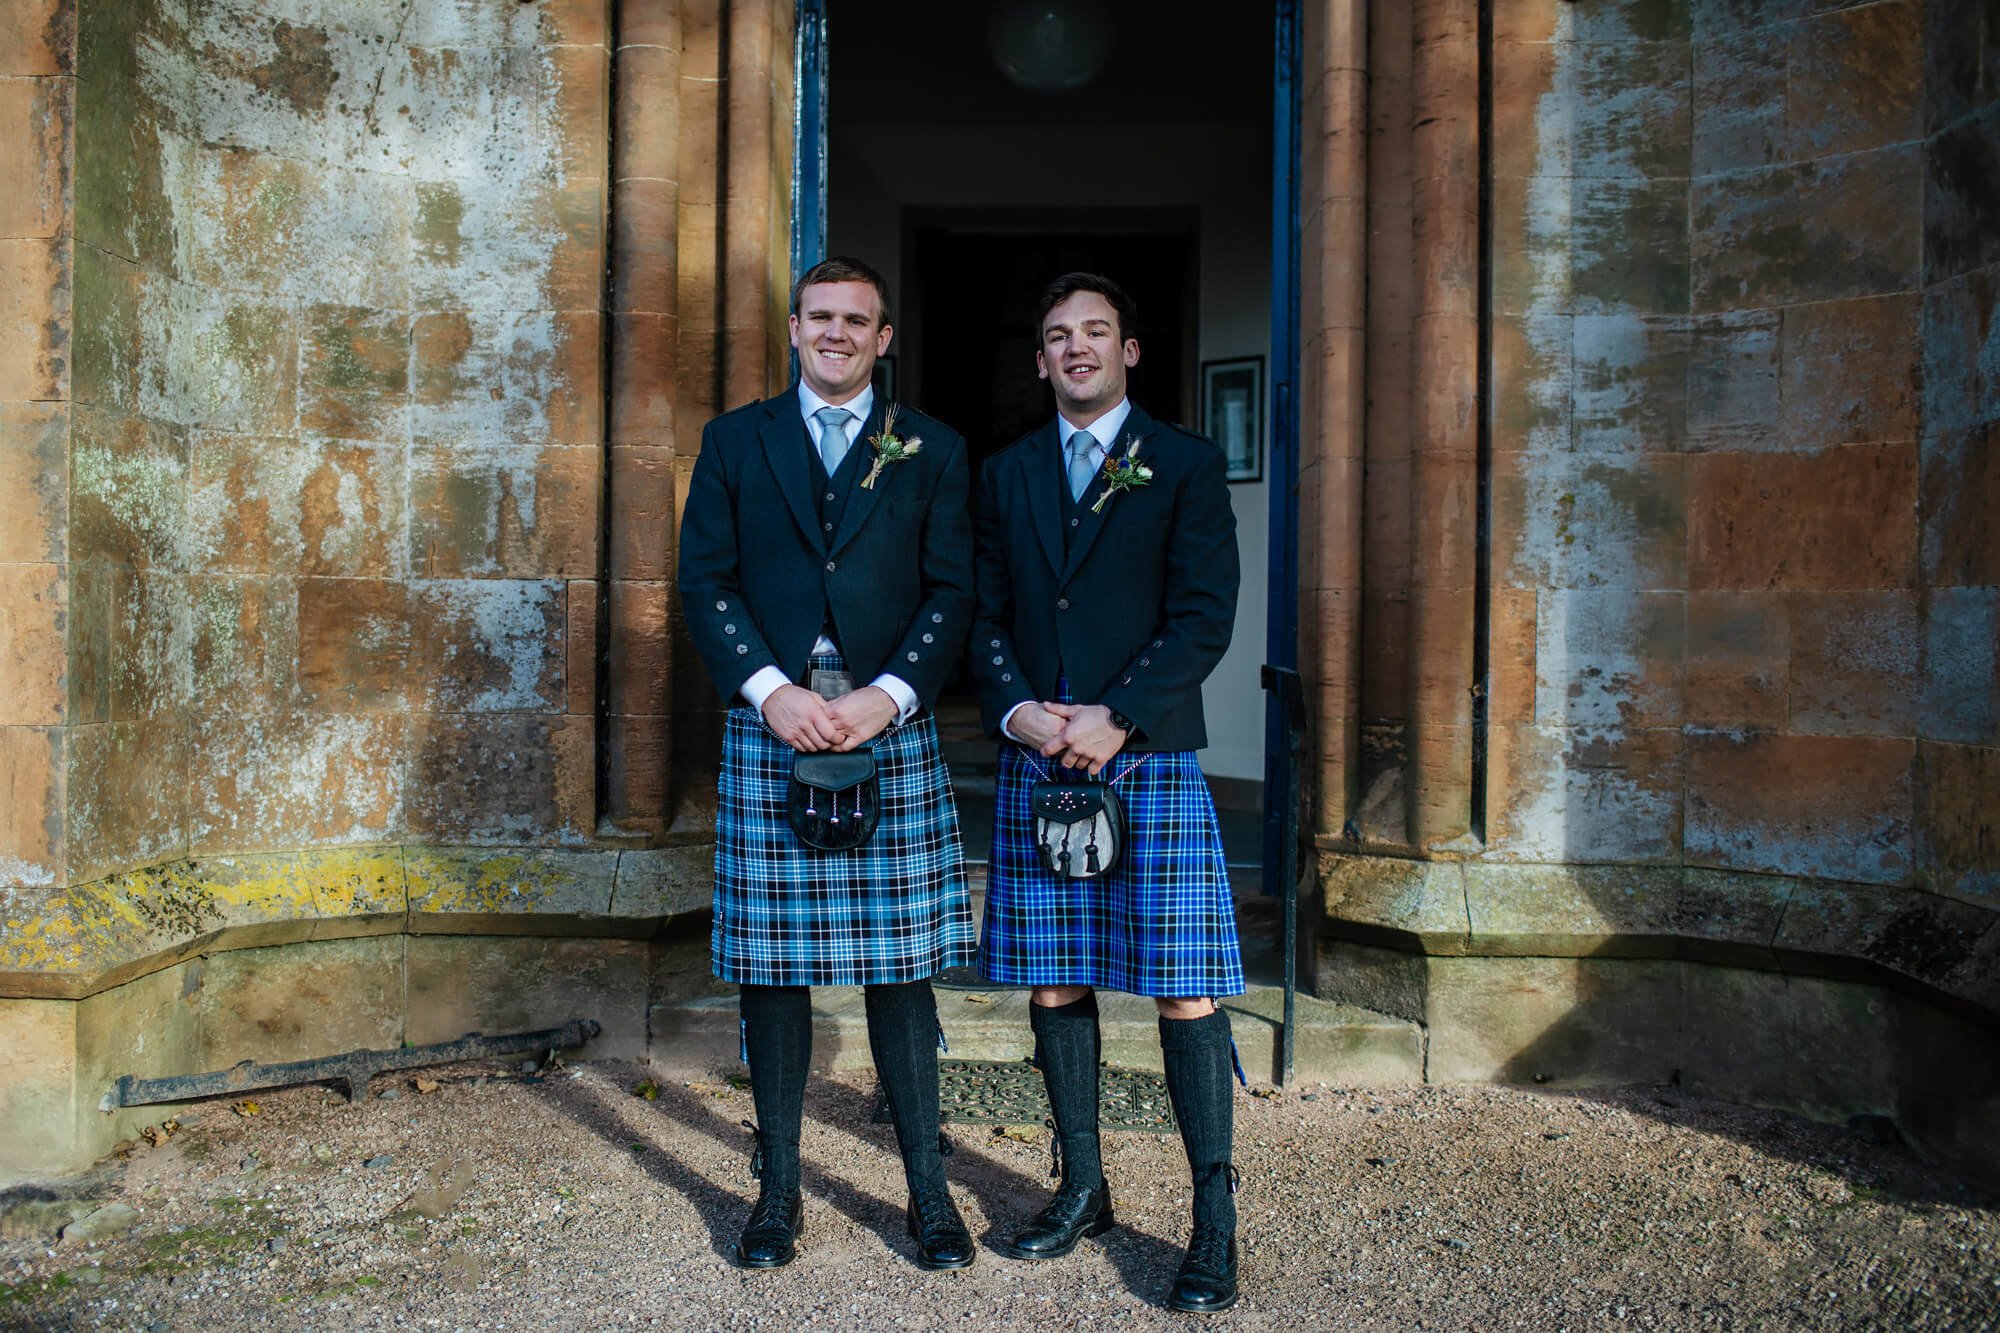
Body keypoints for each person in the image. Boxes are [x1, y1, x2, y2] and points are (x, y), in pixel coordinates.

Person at [678, 256, 977, 1272]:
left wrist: (882, 697)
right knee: (773, 972)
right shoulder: (733, 440)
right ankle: (775, 1195)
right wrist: (773, 691)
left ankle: (929, 1197)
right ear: (794, 328)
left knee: (903, 969)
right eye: (821, 317)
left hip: (885, 719)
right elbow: (705, 580)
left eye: (858, 320)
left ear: (883, 338)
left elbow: (951, 591)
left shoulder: (931, 446)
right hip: (775, 720)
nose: (838, 333)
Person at [969, 273, 1245, 1312]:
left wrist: (1116, 714)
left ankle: (1211, 1220)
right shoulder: (1004, 474)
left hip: (1148, 752)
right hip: (1039, 757)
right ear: (1037, 361)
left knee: (1181, 982)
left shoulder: (1183, 462)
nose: (1077, 348)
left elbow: (1203, 614)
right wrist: (1018, 713)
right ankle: (1082, 1186)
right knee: (1053, 978)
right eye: (1056, 337)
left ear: (1129, 351)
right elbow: (982, 615)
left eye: (1095, 332)